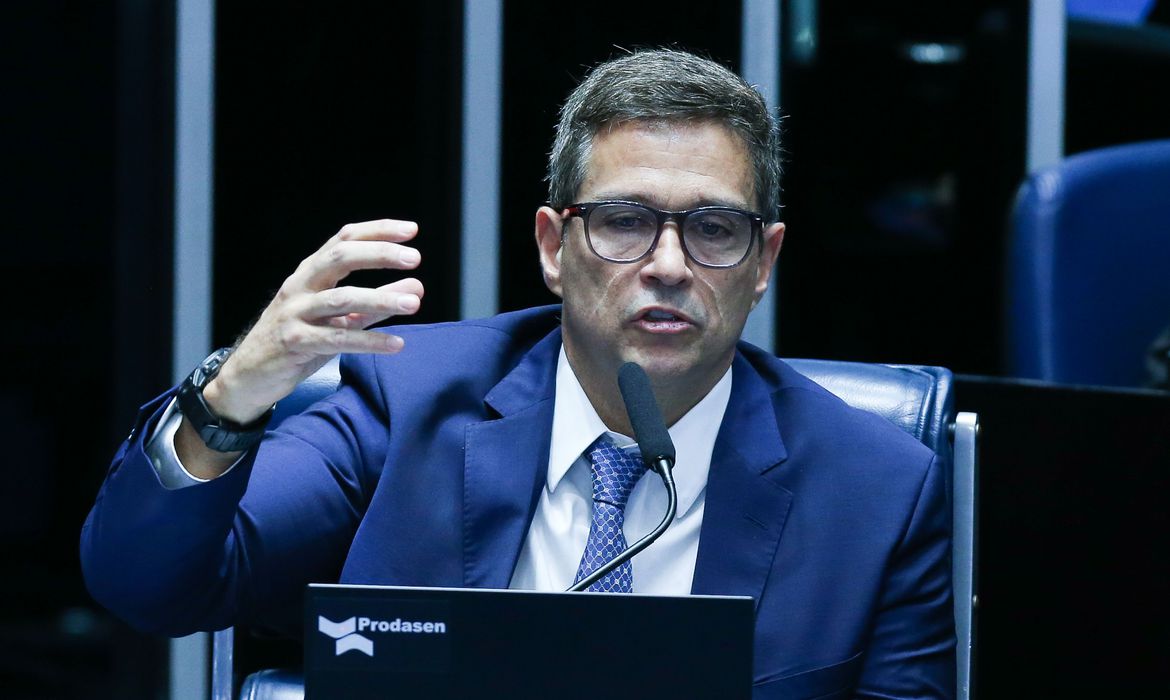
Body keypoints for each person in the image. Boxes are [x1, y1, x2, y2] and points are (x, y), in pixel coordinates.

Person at [82, 49, 955, 697]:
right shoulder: (412, 405)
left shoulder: (878, 492)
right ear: (552, 247)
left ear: (763, 264)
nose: (668, 265)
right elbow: (147, 586)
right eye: (623, 222)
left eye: (715, 230)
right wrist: (231, 396)